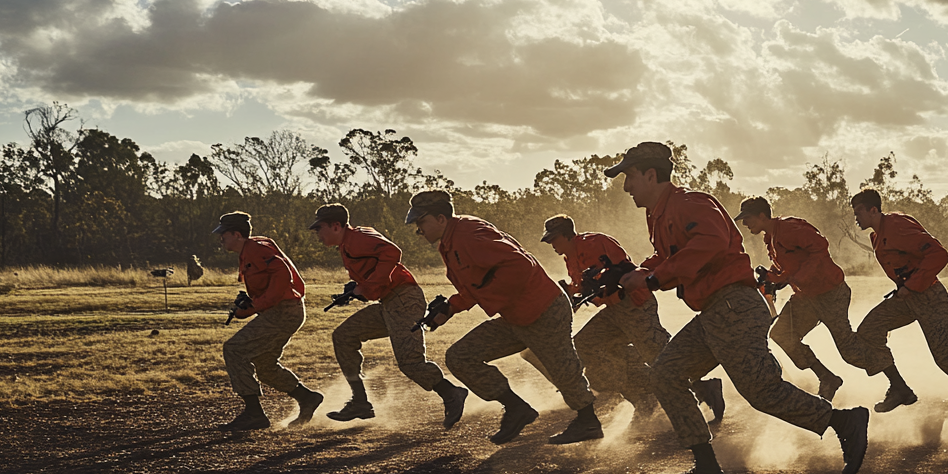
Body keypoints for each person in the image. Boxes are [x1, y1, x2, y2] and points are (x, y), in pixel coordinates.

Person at [606, 142, 869, 474]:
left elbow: (710, 243)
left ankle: (844, 422)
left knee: (762, 392)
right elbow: (675, 257)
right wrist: (638, 272)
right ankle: (708, 472)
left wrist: (652, 279)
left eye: (630, 176)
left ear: (651, 175)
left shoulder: (689, 203)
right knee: (665, 374)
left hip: (733, 306)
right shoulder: (660, 213)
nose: (626, 186)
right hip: (716, 312)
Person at [405, 190, 602, 445]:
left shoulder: (468, 235)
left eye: (421, 222)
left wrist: (489, 298)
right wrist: (449, 308)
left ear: (441, 219)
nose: (418, 230)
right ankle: (516, 408)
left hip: (543, 309)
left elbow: (520, 266)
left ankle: (588, 421)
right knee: (460, 356)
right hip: (516, 316)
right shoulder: (450, 241)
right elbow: (475, 285)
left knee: (562, 368)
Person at [851, 190, 948, 427]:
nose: (856, 218)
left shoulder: (896, 226)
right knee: (869, 330)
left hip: (928, 296)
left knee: (946, 356)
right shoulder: (877, 236)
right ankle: (899, 388)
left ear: (873, 210)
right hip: (907, 298)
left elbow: (939, 254)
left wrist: (913, 285)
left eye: (859, 212)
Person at [540, 214, 723, 420]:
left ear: (566, 236)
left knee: (659, 356)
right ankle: (642, 396)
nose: (551, 244)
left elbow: (620, 270)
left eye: (553, 239)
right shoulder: (569, 258)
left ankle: (704, 387)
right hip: (615, 312)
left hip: (635, 303)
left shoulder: (593, 243)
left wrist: (601, 281)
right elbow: (588, 288)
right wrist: (572, 292)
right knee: (583, 345)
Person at [308, 203, 469, 428]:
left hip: (404, 299)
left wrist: (366, 286)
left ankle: (451, 393)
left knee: (409, 362)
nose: (317, 234)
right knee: (344, 336)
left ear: (336, 226)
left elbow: (392, 253)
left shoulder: (357, 238)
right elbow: (375, 271)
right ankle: (360, 402)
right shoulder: (348, 244)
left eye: (319, 228)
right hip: (389, 303)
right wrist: (357, 289)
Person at [735, 196, 883, 401]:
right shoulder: (770, 237)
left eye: (748, 218)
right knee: (782, 334)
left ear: (762, 216)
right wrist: (772, 278)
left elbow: (820, 247)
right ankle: (827, 378)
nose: (744, 223)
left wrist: (794, 278)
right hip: (806, 296)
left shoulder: (789, 228)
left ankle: (896, 381)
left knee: (848, 349)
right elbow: (786, 267)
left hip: (830, 292)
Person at [214, 211, 323, 431]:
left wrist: (254, 307)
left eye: (224, 234)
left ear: (237, 234)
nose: (221, 238)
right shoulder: (251, 249)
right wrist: (253, 303)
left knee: (234, 349)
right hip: (283, 311)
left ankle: (254, 414)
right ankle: (307, 398)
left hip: (283, 312)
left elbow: (283, 276)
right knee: (264, 365)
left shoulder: (255, 249)